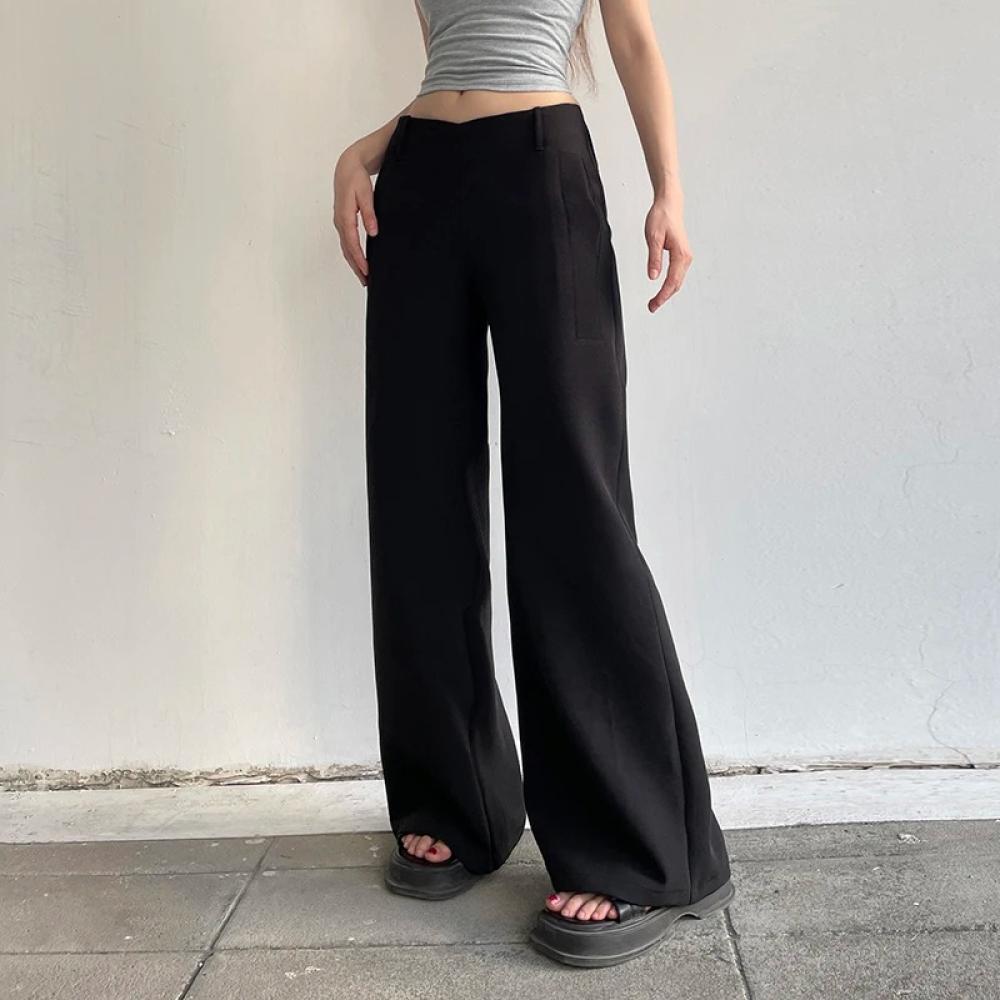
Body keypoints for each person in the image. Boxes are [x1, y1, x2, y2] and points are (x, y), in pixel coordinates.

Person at [333, 0, 734, 968]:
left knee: (572, 501)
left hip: (540, 165)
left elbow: (631, 37)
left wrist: (669, 191)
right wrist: (367, 148)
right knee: (416, 489)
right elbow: (454, 61)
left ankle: (648, 849)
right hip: (420, 181)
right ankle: (457, 799)